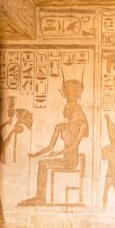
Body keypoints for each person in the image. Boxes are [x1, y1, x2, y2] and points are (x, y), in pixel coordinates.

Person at [22, 77, 88, 205]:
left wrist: (57, 154)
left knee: (43, 164)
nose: (64, 109)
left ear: (73, 111)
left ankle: (40, 197)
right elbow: (50, 146)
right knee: (42, 162)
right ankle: (39, 196)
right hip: (64, 159)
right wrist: (35, 154)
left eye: (67, 108)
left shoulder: (81, 126)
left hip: (71, 161)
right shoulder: (60, 126)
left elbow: (73, 147)